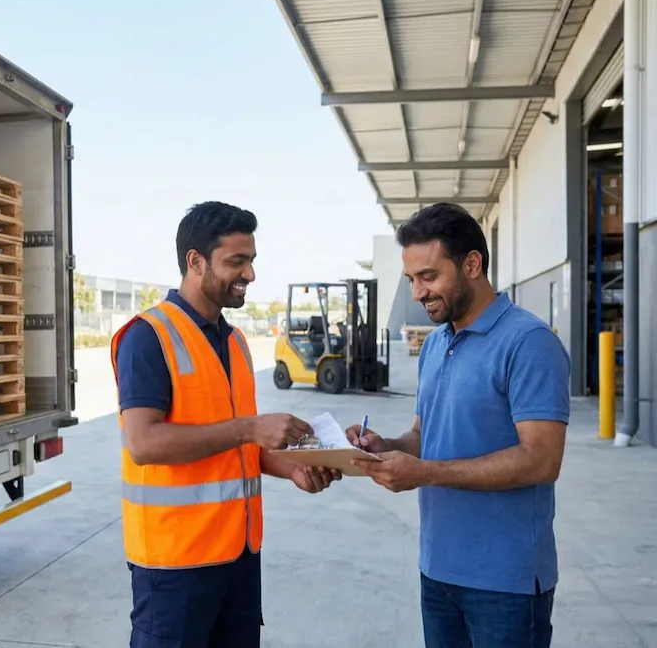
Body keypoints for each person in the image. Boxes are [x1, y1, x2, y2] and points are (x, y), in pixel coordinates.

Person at [111, 200, 339, 648]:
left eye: (251, 260)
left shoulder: (234, 342)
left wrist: (294, 467)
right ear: (196, 262)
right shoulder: (147, 337)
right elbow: (143, 443)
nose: (250, 274)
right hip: (175, 565)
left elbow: (241, 449)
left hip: (238, 557)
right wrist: (250, 428)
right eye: (236, 261)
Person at [346, 203, 570, 648]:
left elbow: (541, 460)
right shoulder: (436, 344)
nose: (417, 292)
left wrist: (425, 473)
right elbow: (422, 437)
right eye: (411, 280)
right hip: (438, 569)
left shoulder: (528, 343)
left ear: (472, 264)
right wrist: (382, 445)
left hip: (505, 582)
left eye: (428, 276)